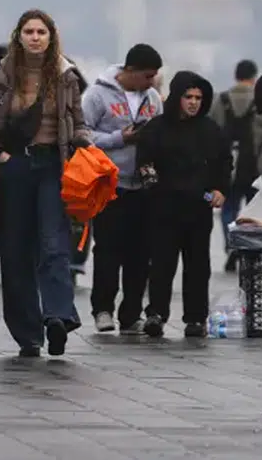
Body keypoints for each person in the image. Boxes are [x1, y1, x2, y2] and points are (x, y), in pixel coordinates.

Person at [0, 8, 92, 357]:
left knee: (54, 244)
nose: (35, 37)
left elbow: (78, 121)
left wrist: (82, 141)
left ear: (51, 38)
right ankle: (27, 333)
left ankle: (57, 316)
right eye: (29, 32)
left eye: (41, 32)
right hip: (15, 166)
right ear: (18, 36)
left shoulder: (66, 77)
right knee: (16, 252)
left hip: (54, 166)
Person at [135, 70, 229, 338]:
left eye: (198, 97)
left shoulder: (211, 130)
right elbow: (145, 162)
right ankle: (156, 314)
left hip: (198, 208)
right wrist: (155, 190)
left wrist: (221, 189)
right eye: (188, 96)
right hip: (164, 207)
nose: (193, 102)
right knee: (162, 264)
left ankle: (196, 318)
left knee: (198, 265)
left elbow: (224, 162)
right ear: (177, 97)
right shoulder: (156, 129)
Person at [81, 43, 164, 333]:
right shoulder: (96, 95)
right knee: (107, 250)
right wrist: (119, 138)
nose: (151, 81)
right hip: (109, 183)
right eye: (146, 75)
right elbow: (83, 135)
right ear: (130, 71)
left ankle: (131, 313)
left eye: (154, 76)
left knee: (141, 253)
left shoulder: (153, 97)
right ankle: (103, 308)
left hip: (143, 184)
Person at [212, 58, 259, 271]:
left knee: (228, 208)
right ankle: (250, 249)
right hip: (254, 165)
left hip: (227, 163)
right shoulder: (261, 101)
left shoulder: (221, 100)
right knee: (254, 211)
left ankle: (232, 245)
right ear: (254, 76)